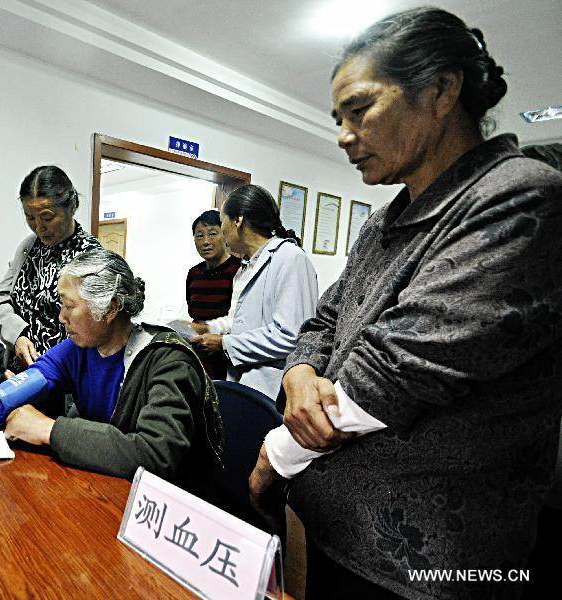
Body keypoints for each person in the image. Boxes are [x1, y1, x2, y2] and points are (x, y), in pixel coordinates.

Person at [247, 8, 562, 599]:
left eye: (360, 110)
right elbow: (327, 316)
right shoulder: (387, 217)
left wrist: (277, 453)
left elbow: (397, 370)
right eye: (337, 118)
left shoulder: (520, 198)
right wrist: (297, 372)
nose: (343, 135)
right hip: (340, 533)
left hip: (433, 568)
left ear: (442, 90)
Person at [2, 249, 223, 493]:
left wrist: (48, 429)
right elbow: (23, 385)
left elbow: (156, 454)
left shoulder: (168, 361)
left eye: (69, 306)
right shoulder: (80, 347)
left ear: (110, 308)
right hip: (105, 487)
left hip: (163, 505)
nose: (61, 317)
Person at [190, 185, 318, 399]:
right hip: (244, 382)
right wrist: (208, 329)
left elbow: (292, 336)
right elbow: (243, 322)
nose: (221, 231)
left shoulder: (290, 258)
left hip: (272, 387)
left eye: (221, 223)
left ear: (237, 221)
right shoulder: (248, 265)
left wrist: (224, 343)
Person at [0, 165, 102, 375]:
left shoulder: (90, 256)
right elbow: (0, 299)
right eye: (30, 217)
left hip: (63, 377)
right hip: (20, 371)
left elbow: (91, 329)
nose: (39, 227)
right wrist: (17, 335)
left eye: (47, 217)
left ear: (72, 207)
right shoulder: (29, 247)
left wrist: (45, 368)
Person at [184, 209, 241, 379]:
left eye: (212, 234)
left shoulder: (239, 270)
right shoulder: (194, 273)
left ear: (224, 235)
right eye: (199, 236)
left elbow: (240, 319)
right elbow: (193, 311)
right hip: (196, 355)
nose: (206, 242)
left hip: (226, 355)